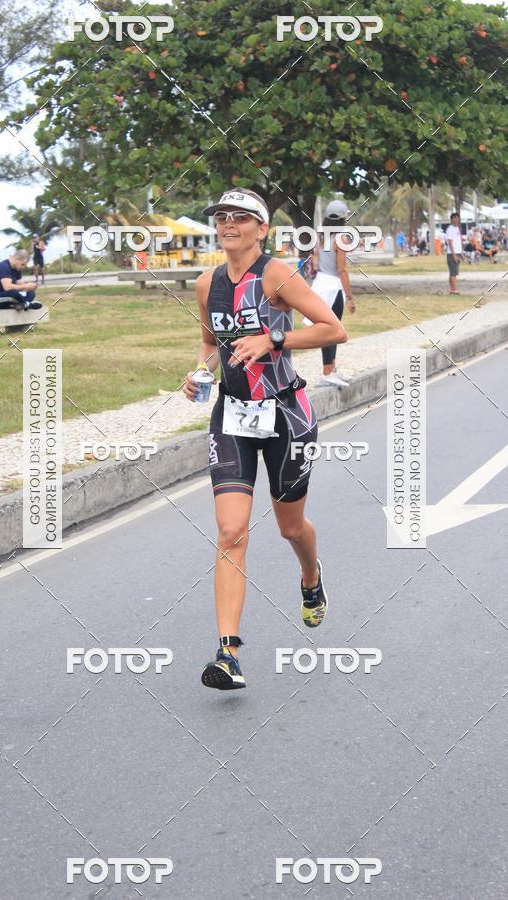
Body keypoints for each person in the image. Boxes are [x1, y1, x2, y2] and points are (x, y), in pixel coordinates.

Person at [183, 188, 346, 691]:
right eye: (222, 217)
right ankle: (228, 654)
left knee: (290, 528)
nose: (228, 224)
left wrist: (272, 338)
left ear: (261, 229)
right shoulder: (206, 283)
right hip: (231, 416)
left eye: (240, 217)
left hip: (286, 417)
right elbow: (211, 343)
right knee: (231, 530)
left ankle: (311, 578)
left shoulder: (277, 275)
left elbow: (332, 329)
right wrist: (199, 372)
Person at [307, 200, 356, 388]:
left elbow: (315, 261)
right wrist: (350, 297)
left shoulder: (320, 236)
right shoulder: (341, 238)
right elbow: (342, 269)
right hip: (333, 287)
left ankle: (331, 370)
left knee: (329, 330)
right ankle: (327, 373)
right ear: (343, 217)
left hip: (320, 285)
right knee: (332, 331)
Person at [445, 212, 463, 294]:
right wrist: (454, 255)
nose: (456, 220)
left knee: (453, 272)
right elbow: (450, 242)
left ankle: (452, 289)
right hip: (452, 253)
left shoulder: (457, 228)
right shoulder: (450, 229)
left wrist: (461, 253)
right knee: (453, 273)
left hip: (457, 252)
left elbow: (458, 242)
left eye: (457, 218)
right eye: (454, 218)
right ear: (451, 219)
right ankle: (455, 290)